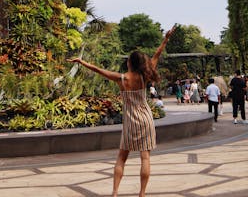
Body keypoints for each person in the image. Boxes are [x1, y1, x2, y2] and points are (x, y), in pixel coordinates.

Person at [68, 24, 176, 197]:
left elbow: (98, 70)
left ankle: (115, 193)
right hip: (146, 119)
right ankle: (142, 193)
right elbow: (157, 55)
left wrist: (81, 62)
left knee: (121, 158)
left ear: (129, 63)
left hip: (131, 121)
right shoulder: (144, 76)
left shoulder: (122, 78)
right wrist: (166, 39)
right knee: (145, 158)